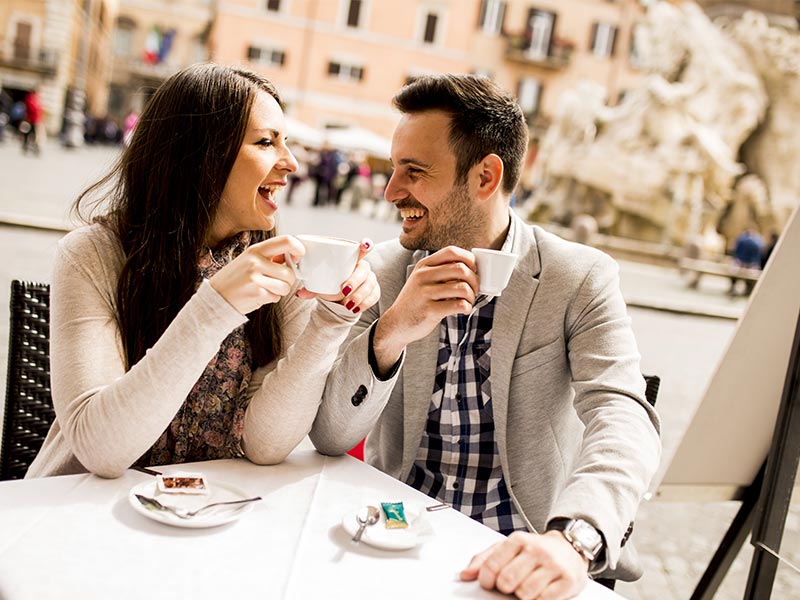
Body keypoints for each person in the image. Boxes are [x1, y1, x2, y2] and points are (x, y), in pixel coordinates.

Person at [310, 74, 661, 599]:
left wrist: (573, 539)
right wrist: (391, 332)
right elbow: (331, 436)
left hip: (521, 551)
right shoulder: (381, 272)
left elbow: (623, 414)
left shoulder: (577, 276)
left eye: (414, 171)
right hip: (393, 541)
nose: (390, 191)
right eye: (392, 169)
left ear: (485, 176)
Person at [26, 63, 380, 479]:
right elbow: (100, 451)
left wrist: (331, 321)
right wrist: (216, 306)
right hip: (78, 511)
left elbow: (265, 446)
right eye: (266, 142)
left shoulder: (279, 269)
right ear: (199, 153)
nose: (291, 164)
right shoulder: (93, 254)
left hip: (208, 513)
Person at [21, 87, 44, 155]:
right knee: (29, 133)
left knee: (33, 134)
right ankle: (27, 146)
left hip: (35, 119)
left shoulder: (36, 98)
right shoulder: (30, 98)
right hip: (30, 119)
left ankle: (32, 146)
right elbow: (33, 109)